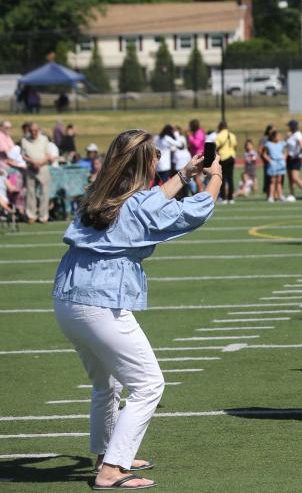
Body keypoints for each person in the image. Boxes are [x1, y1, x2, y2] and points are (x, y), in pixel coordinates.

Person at [52, 129, 220, 490]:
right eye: (155, 156)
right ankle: (112, 469)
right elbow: (197, 211)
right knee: (149, 385)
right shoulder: (139, 204)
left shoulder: (100, 192)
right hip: (99, 302)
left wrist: (185, 175)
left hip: (67, 297)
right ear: (146, 163)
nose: (160, 160)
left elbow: (149, 200)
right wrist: (215, 177)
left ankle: (105, 453)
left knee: (106, 383)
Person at [20, 122, 53, 223]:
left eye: (35, 130)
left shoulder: (44, 139)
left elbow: (48, 155)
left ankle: (43, 216)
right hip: (31, 168)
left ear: (38, 130)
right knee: (31, 193)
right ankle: (31, 216)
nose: (33, 132)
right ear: (29, 131)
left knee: (44, 192)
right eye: (31, 130)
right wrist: (33, 162)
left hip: (43, 167)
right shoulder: (24, 140)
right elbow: (23, 155)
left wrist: (40, 163)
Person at [284, 119, 302, 201]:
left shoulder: (298, 135)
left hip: (295, 158)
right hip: (289, 157)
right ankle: (292, 194)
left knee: (295, 177)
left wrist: (296, 155)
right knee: (290, 178)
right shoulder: (291, 134)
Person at [215, 121, 238, 204]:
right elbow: (235, 145)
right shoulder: (232, 135)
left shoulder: (219, 135)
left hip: (223, 157)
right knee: (230, 178)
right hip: (231, 156)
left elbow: (216, 146)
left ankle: (224, 197)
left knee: (223, 178)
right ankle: (231, 198)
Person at [261, 128, 287, 202]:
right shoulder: (268, 144)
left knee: (279, 181)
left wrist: (284, 158)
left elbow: (285, 151)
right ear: (273, 137)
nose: (279, 138)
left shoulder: (281, 143)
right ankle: (271, 196)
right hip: (273, 163)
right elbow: (264, 154)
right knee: (272, 181)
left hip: (280, 163)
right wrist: (270, 160)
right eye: (278, 136)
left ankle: (280, 195)